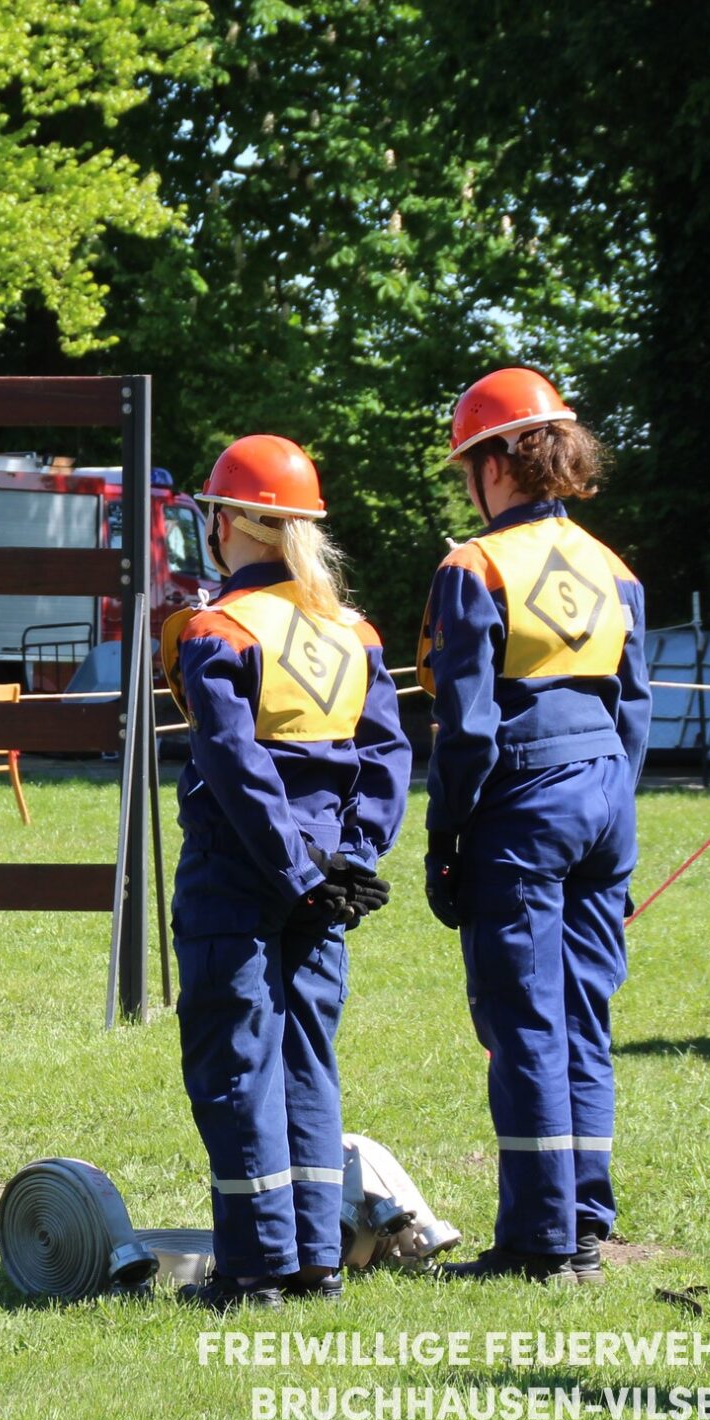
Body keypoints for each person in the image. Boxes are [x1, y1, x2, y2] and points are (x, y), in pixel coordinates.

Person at [159, 436, 411, 1311]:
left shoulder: (218, 630)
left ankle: (254, 1269)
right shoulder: (354, 631)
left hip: (241, 871)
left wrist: (294, 867)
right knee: (308, 1061)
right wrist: (352, 858)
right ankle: (317, 1262)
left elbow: (233, 765)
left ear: (226, 522)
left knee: (236, 1065)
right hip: (326, 872)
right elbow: (386, 754)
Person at [416, 368, 649, 1286]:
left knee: (523, 1023)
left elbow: (467, 728)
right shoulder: (614, 567)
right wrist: (613, 804)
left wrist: (445, 838)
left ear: (497, 463)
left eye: (468, 466)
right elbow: (635, 707)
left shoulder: (473, 569)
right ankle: (585, 1220)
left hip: (524, 802)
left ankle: (540, 1241)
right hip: (606, 796)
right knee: (584, 1015)